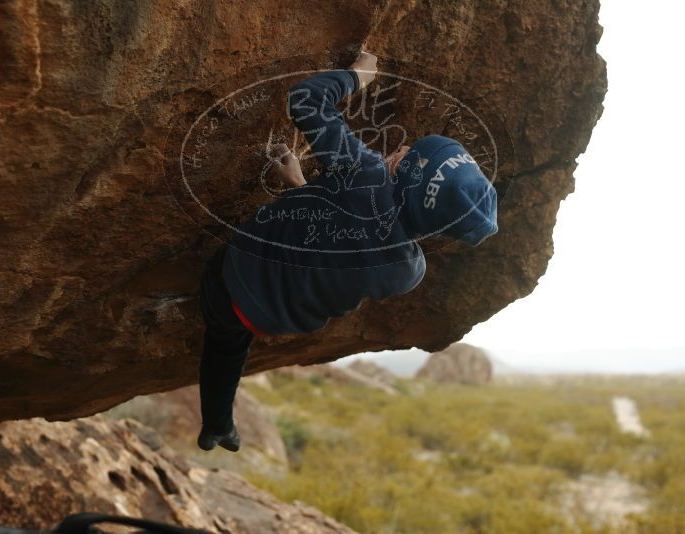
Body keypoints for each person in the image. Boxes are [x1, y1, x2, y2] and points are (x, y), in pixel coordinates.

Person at [197, 51, 498, 452]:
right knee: (230, 347)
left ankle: (219, 424)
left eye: (412, 154)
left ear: (409, 176)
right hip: (279, 317)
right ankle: (219, 427)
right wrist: (302, 187)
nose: (405, 145)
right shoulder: (408, 269)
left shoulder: (364, 172)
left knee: (223, 343)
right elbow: (346, 238)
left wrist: (357, 76)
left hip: (234, 276)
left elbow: (304, 99)